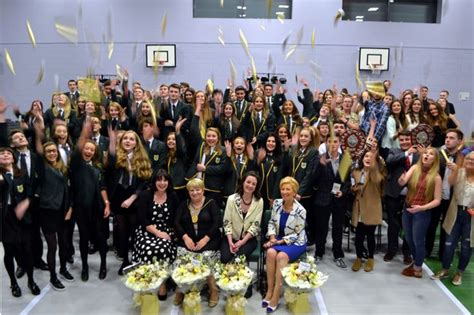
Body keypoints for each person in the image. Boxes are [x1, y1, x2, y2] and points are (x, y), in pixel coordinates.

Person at [69, 119, 111, 281]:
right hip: (81, 208)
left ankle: (103, 265)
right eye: (86, 148)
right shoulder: (77, 165)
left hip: (98, 208)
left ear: (95, 152)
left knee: (101, 239)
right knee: (84, 239)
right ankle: (85, 267)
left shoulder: (98, 167)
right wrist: (85, 131)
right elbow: (78, 147)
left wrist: (107, 203)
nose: (88, 151)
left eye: (92, 149)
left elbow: (102, 187)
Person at [108, 130, 152, 275]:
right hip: (118, 198)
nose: (128, 141)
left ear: (136, 143)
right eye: (125, 139)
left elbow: (145, 182)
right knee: (122, 232)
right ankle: (125, 261)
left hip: (135, 198)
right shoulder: (116, 158)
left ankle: (135, 259)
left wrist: (132, 198)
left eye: (131, 139)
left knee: (134, 232)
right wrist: (113, 141)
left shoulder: (142, 159)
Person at [173, 178, 222, 307]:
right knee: (182, 257)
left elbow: (217, 223)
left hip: (209, 240)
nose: (194, 193)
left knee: (206, 258)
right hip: (189, 241)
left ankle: (213, 290)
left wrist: (205, 239)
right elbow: (176, 222)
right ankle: (181, 289)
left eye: (197, 189)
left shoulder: (211, 203)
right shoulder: (184, 204)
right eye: (191, 190)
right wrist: (185, 237)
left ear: (203, 190)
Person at [262, 177, 307, 313]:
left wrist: (278, 242)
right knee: (270, 253)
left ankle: (276, 295)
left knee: (281, 256)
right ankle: (269, 291)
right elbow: (271, 223)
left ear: (294, 193)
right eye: (283, 189)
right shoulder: (276, 203)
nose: (284, 192)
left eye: (288, 189)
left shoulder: (301, 210)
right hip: (278, 237)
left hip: (295, 241)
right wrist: (272, 237)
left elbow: (297, 233)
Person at [133, 169, 178, 300]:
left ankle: (162, 282)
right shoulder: (146, 195)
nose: (162, 183)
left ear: (169, 182)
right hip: (147, 230)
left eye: (165, 180)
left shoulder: (173, 196)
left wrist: (172, 234)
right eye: (159, 180)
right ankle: (148, 281)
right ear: (154, 181)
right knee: (148, 249)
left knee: (163, 248)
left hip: (166, 230)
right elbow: (143, 219)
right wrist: (158, 233)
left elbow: (176, 219)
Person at [399, 147, 442, 278]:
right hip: (407, 209)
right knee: (408, 238)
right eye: (425, 153)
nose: (427, 155)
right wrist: (401, 180)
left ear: (435, 159)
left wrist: (421, 208)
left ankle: (418, 267)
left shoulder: (436, 177)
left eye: (430, 154)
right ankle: (415, 261)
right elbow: (403, 182)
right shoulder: (414, 169)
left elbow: (437, 200)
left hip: (421, 213)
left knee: (418, 241)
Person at [431, 151, 473, 285]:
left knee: (467, 247)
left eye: (473, 160)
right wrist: (456, 168)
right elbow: (451, 181)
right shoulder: (460, 172)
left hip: (471, 217)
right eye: (468, 159)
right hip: (455, 213)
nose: (470, 161)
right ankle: (445, 269)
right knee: (449, 244)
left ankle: (459, 273)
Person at [221, 171, 263, 297]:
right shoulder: (232, 199)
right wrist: (230, 242)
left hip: (248, 239)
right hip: (230, 237)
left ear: (256, 186)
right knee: (225, 257)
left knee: (240, 256)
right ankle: (230, 281)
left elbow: (256, 225)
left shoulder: (259, 201)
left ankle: (246, 282)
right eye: (248, 182)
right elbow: (226, 222)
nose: (250, 185)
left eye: (254, 184)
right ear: (243, 182)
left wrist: (242, 242)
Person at [313, 136, 351, 267]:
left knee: (337, 228)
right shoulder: (320, 158)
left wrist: (343, 192)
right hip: (322, 198)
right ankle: (319, 253)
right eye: (330, 141)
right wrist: (319, 165)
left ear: (340, 143)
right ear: (326, 143)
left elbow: (347, 182)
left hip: (339, 199)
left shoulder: (345, 160)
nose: (333, 144)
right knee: (321, 228)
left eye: (335, 141)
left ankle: (338, 254)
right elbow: (313, 178)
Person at [383, 131, 419, 264]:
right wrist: (406, 153)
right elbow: (389, 161)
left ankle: (407, 252)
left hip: (412, 195)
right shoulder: (394, 151)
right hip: (393, 194)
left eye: (407, 139)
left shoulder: (419, 154)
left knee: (409, 226)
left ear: (412, 140)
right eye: (402, 140)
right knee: (393, 224)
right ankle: (391, 250)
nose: (404, 142)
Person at [351, 149, 385, 272]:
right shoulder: (356, 172)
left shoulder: (377, 174)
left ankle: (370, 258)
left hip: (372, 209)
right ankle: (358, 258)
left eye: (371, 157)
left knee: (370, 235)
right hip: (359, 208)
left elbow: (377, 181)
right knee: (359, 236)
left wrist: (374, 167)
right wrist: (353, 188)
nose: (368, 159)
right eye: (366, 156)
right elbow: (352, 185)